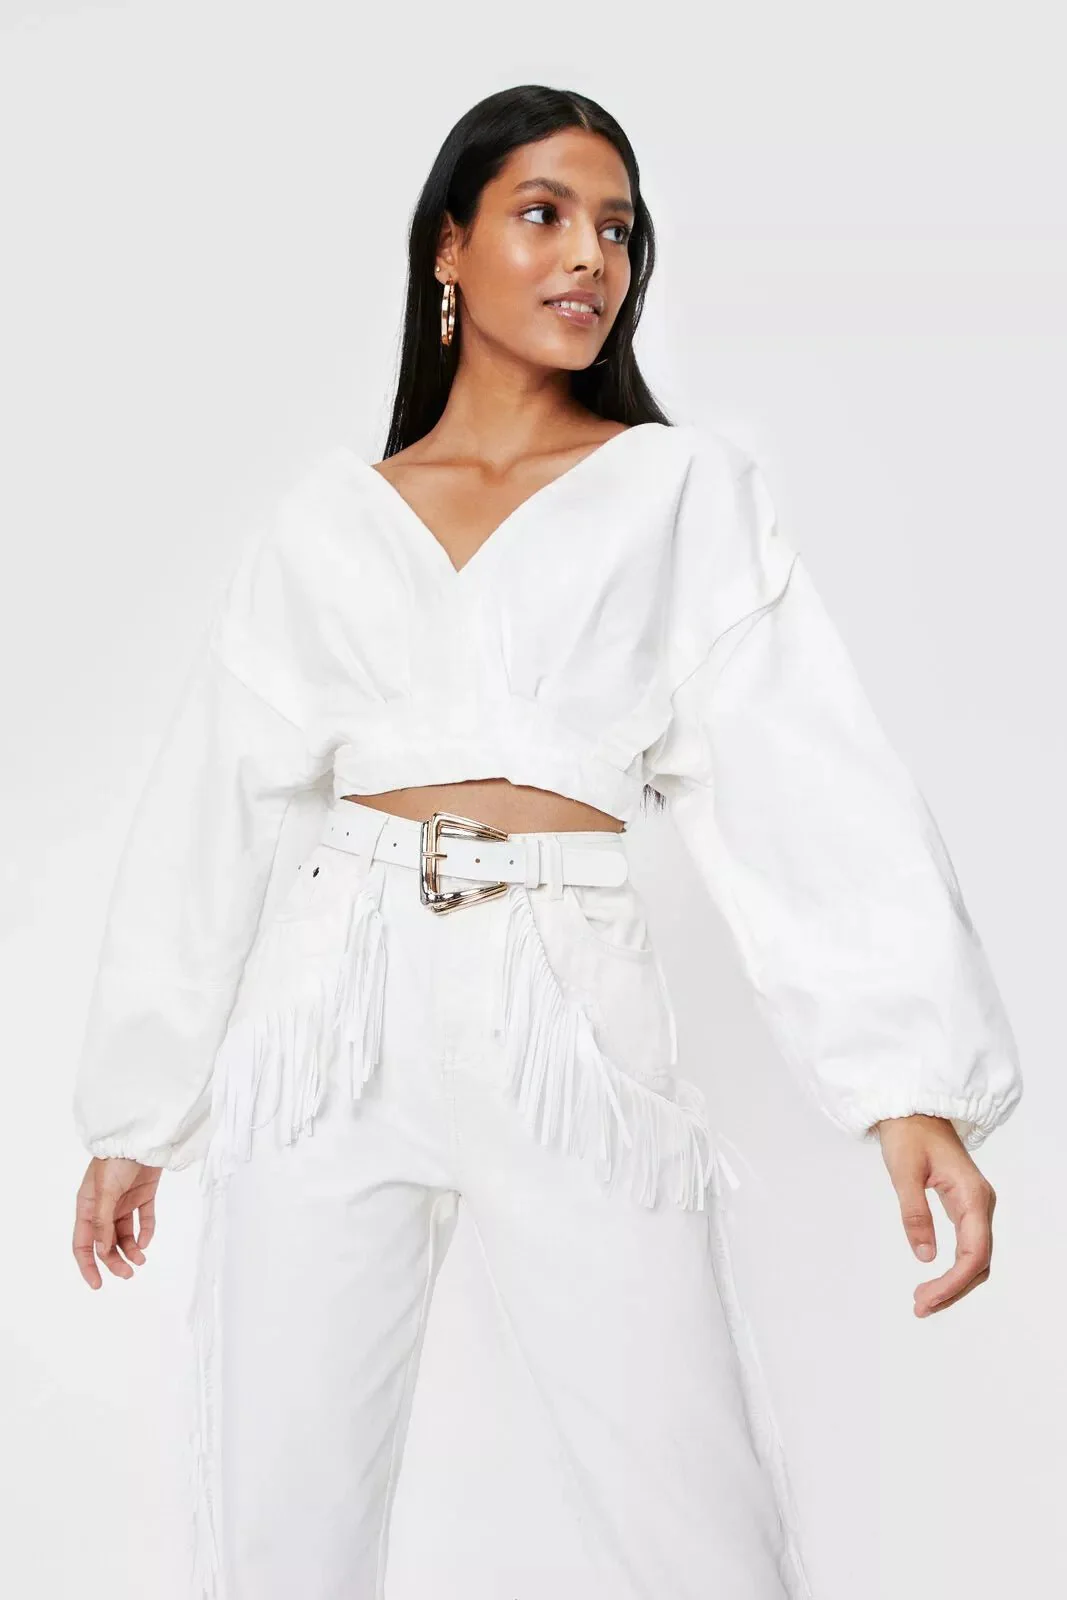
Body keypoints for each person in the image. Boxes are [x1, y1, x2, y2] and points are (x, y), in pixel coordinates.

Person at [70, 84, 1023, 1600]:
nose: (591, 255)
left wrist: (911, 1090)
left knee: (695, 1520)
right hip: (329, 1024)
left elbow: (804, 773)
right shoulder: (330, 520)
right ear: (447, 248)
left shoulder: (679, 492)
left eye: (618, 229)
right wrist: (140, 1105)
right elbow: (213, 804)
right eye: (544, 213)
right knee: (281, 1516)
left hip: (567, 1012)